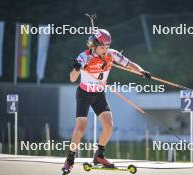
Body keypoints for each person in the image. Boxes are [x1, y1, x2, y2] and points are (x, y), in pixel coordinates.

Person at [62, 29, 151, 174]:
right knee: (81, 129)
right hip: (84, 94)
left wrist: (141, 71)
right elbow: (72, 78)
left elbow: (129, 64)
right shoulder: (84, 56)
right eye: (102, 47)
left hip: (99, 94)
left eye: (107, 47)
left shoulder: (112, 55)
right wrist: (77, 69)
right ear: (93, 46)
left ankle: (99, 156)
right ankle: (70, 159)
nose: (105, 50)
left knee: (109, 126)